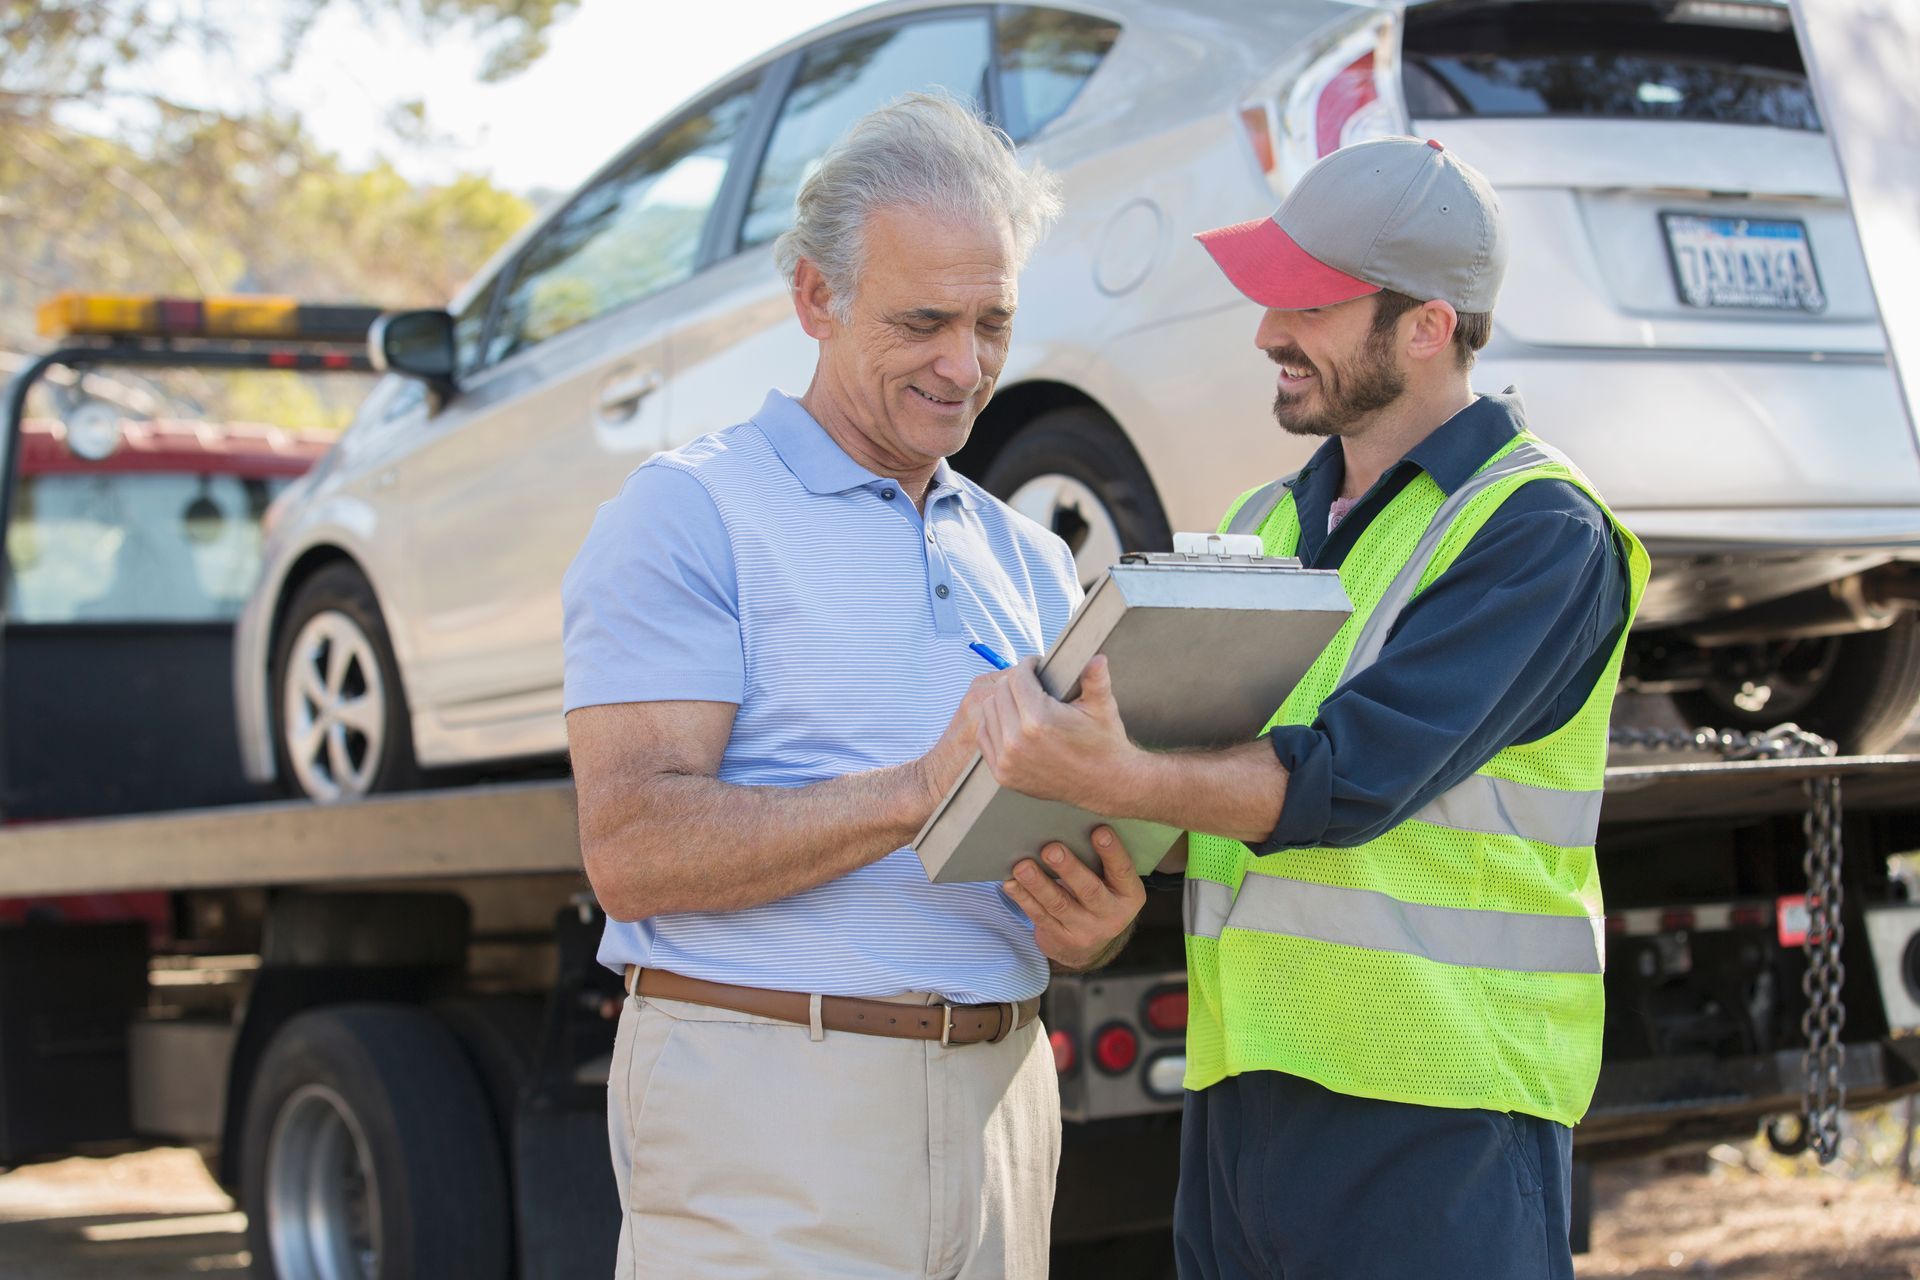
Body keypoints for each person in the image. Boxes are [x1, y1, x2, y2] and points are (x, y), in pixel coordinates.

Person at [973, 136, 1649, 1278]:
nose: (1268, 332)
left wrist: (1113, 775)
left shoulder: (1541, 532)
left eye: (1311, 303)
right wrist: (1110, 875)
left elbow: (1347, 775)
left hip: (1439, 1110)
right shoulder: (1271, 522)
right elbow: (1206, 794)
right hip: (1245, 1103)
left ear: (1428, 326)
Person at [561, 94, 1143, 1279]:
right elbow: (631, 845)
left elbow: (1054, 861)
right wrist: (920, 790)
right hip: (769, 1108)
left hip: (1005, 1105)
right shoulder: (693, 512)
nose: (964, 364)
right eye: (923, 319)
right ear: (815, 298)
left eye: (993, 321)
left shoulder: (1029, 558)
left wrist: (1098, 915)